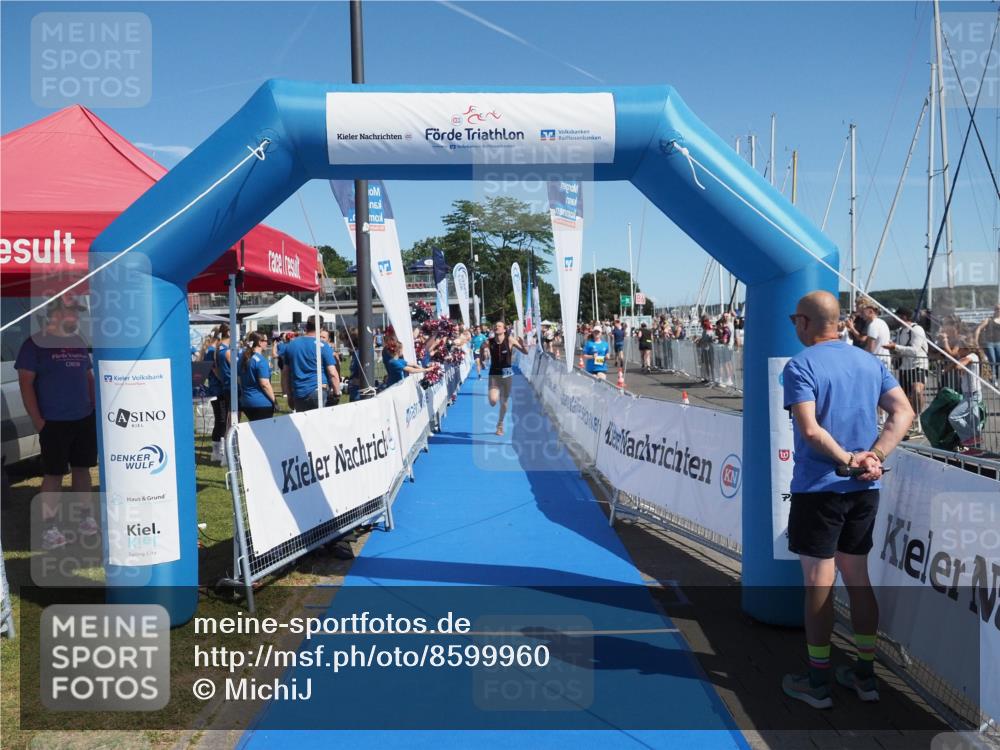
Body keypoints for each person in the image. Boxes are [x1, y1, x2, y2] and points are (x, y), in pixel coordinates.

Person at [781, 291, 913, 709]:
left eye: (794, 320)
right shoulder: (868, 361)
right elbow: (903, 412)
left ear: (804, 322)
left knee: (818, 583)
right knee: (857, 577)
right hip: (863, 490)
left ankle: (818, 681)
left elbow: (810, 430)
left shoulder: (800, 365)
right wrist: (874, 457)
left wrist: (850, 460)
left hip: (821, 489)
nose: (794, 327)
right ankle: (865, 676)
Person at [15, 300, 99, 549]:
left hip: (83, 418)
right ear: (56, 313)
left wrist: (94, 405)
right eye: (72, 312)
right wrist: (38, 421)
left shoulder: (78, 341)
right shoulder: (34, 344)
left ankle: (85, 518)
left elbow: (88, 376)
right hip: (53, 421)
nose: (76, 317)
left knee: (82, 469)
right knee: (54, 474)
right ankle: (49, 528)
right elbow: (25, 384)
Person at [883, 308, 928, 437]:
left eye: (896, 316)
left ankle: (918, 418)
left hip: (918, 365)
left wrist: (895, 347)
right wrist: (893, 350)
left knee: (917, 390)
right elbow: (900, 350)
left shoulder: (917, 329)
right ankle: (911, 422)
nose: (894, 319)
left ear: (903, 317)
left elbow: (914, 350)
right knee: (905, 397)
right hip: (905, 367)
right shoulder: (900, 331)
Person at [281, 316, 341, 411]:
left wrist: (289, 394)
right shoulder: (322, 346)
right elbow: (332, 373)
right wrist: (337, 394)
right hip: (318, 392)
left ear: (306, 326)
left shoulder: (291, 345)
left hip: (299, 393)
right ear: (321, 328)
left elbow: (285, 374)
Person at [481, 320, 529, 435]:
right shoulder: (489, 341)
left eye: (499, 326)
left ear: (504, 329)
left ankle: (500, 424)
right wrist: (482, 356)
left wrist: (523, 344)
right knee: (493, 401)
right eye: (495, 326)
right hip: (494, 373)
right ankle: (496, 394)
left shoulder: (510, 340)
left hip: (507, 373)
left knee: (504, 402)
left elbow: (526, 352)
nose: (496, 327)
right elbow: (482, 348)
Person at [238, 332, 276, 421]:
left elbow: (238, 380)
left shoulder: (243, 358)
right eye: (266, 341)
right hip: (261, 403)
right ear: (259, 342)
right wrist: (274, 401)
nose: (267, 343)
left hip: (246, 402)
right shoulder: (261, 360)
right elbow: (265, 384)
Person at [974, 304, 1000, 384]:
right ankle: (993, 378)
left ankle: (996, 376)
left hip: (998, 343)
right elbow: (978, 329)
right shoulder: (989, 320)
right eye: (997, 309)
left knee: (998, 360)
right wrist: (976, 341)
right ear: (994, 310)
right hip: (989, 343)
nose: (998, 310)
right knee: (992, 360)